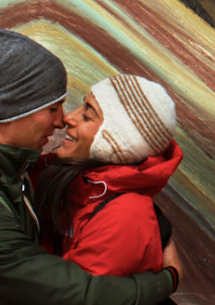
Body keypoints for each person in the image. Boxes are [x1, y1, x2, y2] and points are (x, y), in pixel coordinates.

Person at [0, 29, 180, 305]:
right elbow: (78, 298)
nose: (62, 120)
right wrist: (168, 279)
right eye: (53, 108)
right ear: (14, 110)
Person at [33, 74, 183, 278]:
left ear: (116, 142)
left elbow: (69, 296)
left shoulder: (124, 218)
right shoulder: (71, 178)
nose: (69, 118)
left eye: (87, 116)